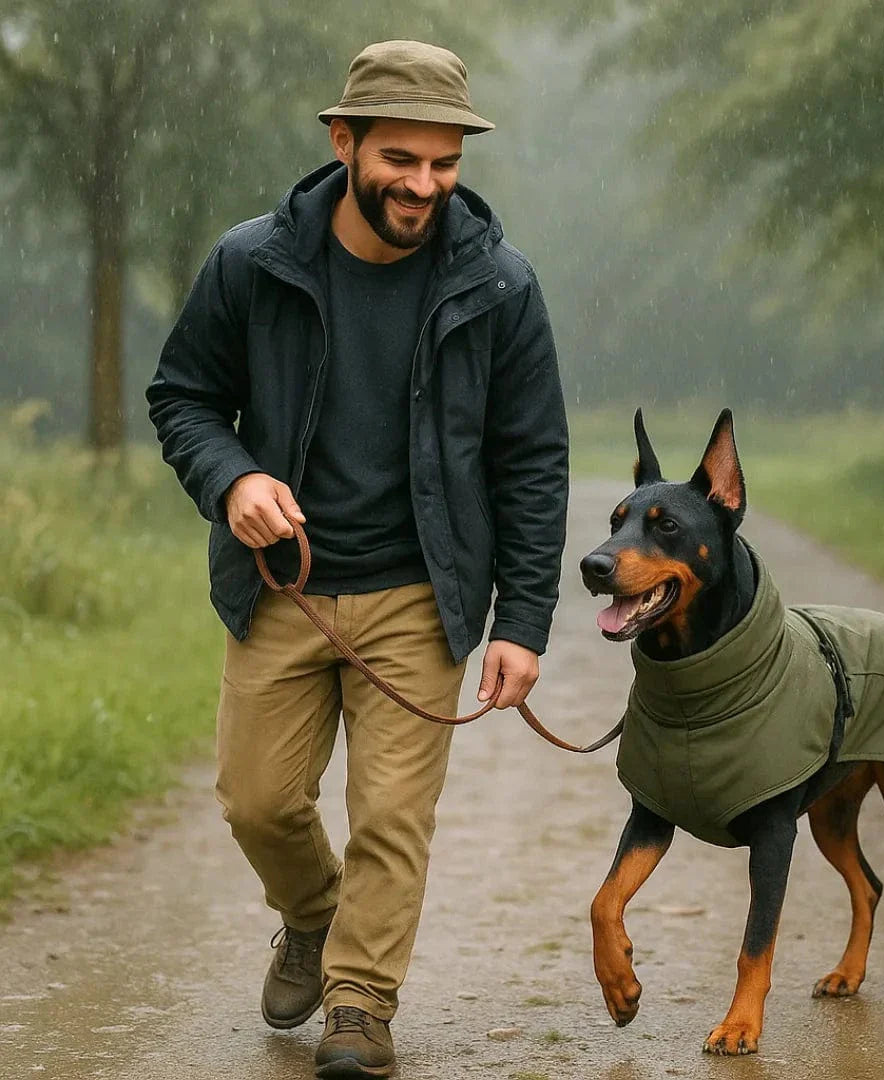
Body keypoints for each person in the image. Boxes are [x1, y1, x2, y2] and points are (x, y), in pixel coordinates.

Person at [146, 39, 568, 1078]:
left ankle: (360, 1005)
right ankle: (313, 915)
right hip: (281, 586)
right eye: (401, 160)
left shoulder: (501, 287)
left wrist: (520, 623)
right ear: (345, 144)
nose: (424, 186)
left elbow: (533, 461)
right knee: (258, 802)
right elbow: (184, 397)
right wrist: (233, 479)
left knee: (391, 815)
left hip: (424, 594)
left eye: (444, 163)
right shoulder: (253, 262)